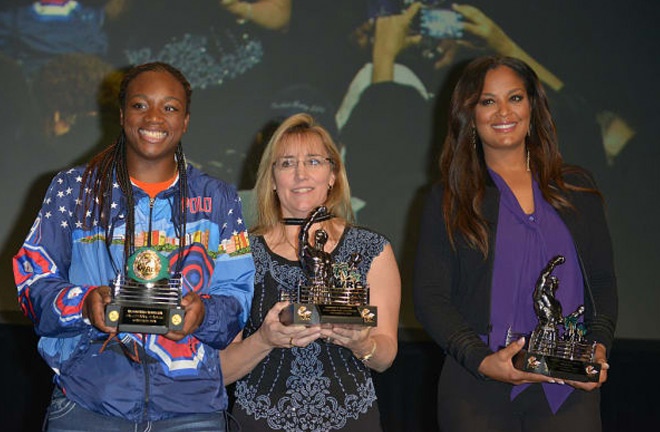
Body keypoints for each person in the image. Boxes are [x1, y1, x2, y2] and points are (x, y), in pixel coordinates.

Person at [13, 61, 255, 431]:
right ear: (123, 113)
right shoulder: (72, 191)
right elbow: (32, 283)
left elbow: (237, 297)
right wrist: (84, 305)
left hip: (191, 411)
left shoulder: (217, 197)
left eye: (170, 107)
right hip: (90, 404)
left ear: (186, 120)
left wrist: (202, 315)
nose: (154, 117)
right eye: (141, 105)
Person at [413, 56, 617, 431]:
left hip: (567, 388)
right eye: (487, 101)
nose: (503, 111)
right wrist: (481, 359)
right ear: (469, 114)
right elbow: (430, 296)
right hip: (477, 384)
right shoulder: (449, 198)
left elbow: (602, 285)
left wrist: (598, 346)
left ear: (533, 108)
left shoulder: (577, 190)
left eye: (515, 98)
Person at [220, 113, 401, 431]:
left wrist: (361, 344)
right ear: (272, 180)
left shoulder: (373, 249)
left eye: (314, 161)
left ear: (333, 174)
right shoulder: (240, 254)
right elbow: (220, 371)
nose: (301, 175)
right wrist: (265, 339)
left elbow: (385, 356)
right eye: (287, 163)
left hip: (351, 422)